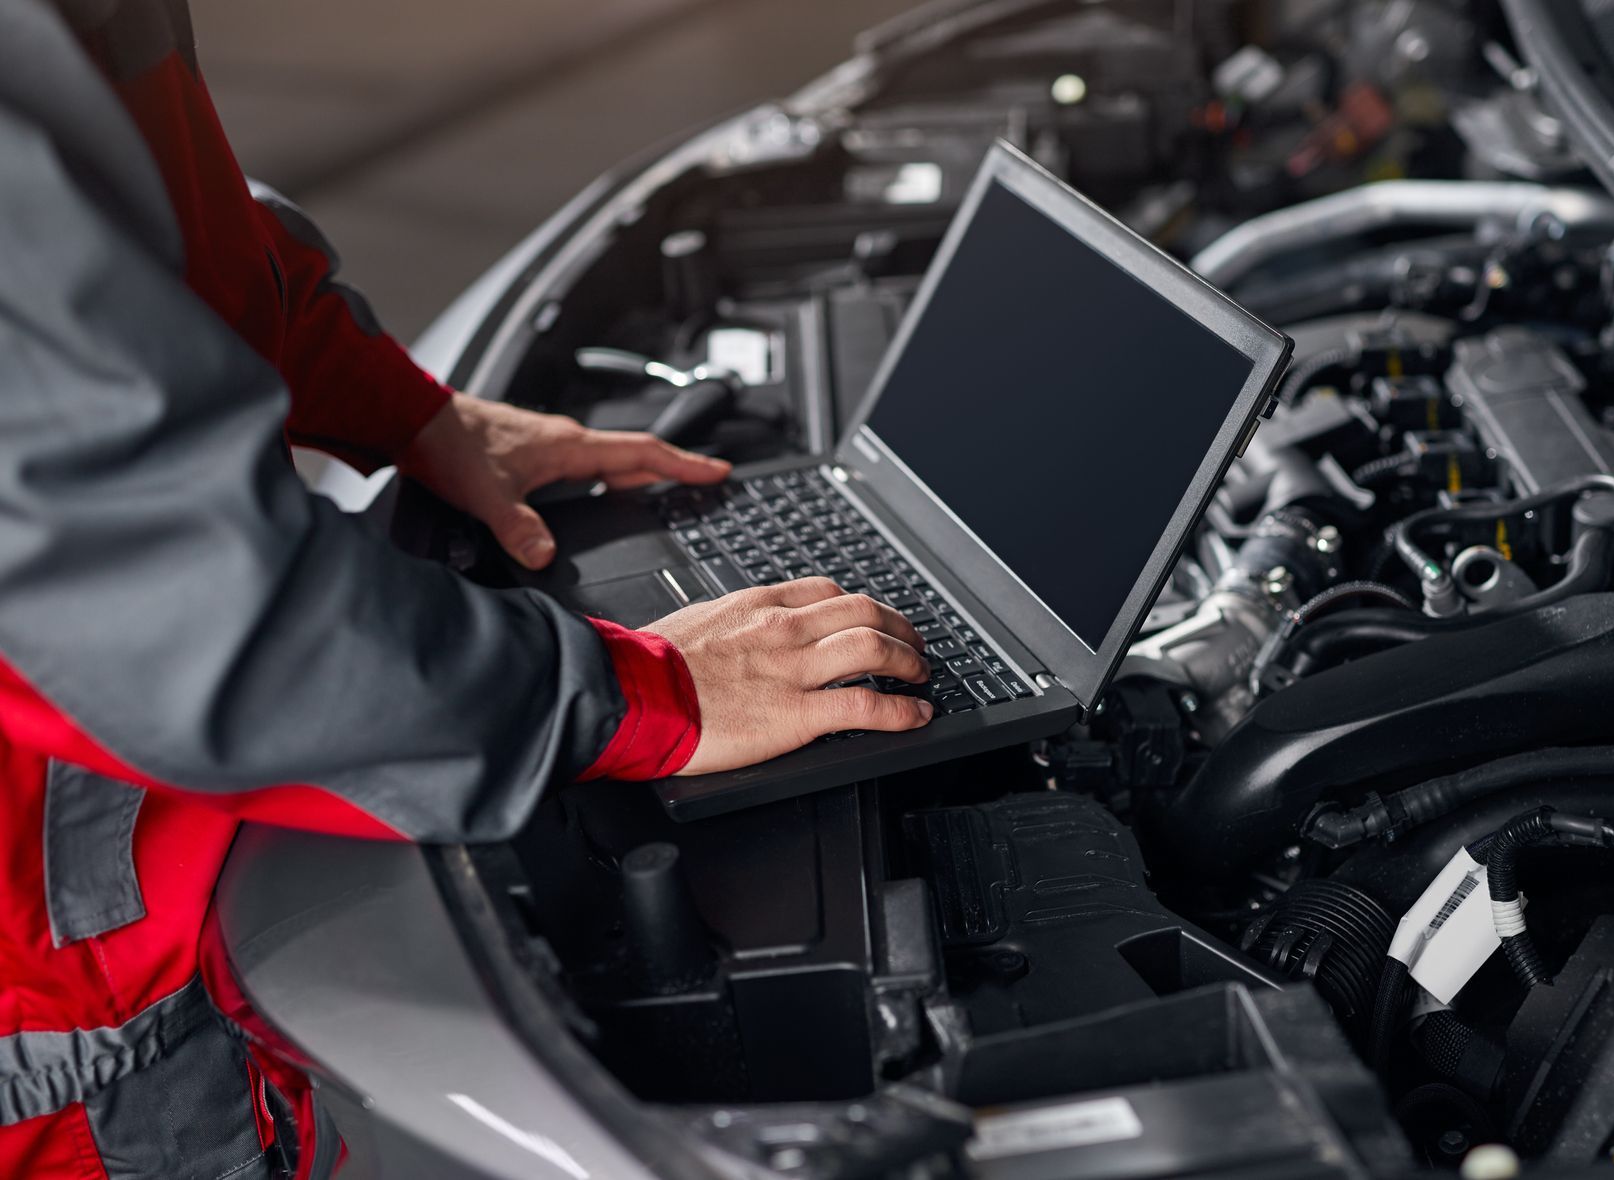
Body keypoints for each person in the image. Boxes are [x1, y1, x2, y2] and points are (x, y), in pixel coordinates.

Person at [0, 2, 933, 1176]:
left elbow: (133, 236)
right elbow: (192, 617)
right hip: (63, 1072)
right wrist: (645, 697)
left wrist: (401, 407)